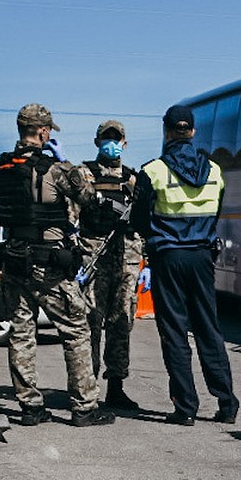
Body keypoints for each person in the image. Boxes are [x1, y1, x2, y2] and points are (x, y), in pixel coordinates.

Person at [0, 103, 115, 427]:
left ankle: (30, 407)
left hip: (14, 260)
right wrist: (67, 166)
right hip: (49, 264)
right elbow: (86, 196)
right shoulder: (54, 171)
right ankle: (84, 406)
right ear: (43, 131)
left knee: (21, 333)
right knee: (76, 330)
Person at [130, 105, 238, 426]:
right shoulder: (216, 171)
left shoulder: (153, 172)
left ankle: (186, 407)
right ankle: (226, 403)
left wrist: (156, 239)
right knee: (209, 329)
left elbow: (139, 220)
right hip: (202, 257)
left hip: (168, 259)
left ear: (166, 131)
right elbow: (216, 214)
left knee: (175, 332)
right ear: (192, 131)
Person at [77, 120, 144, 410]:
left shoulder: (134, 179)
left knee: (121, 324)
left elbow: (143, 220)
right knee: (90, 323)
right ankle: (87, 387)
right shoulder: (83, 175)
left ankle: (116, 386)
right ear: (97, 142)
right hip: (94, 257)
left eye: (117, 139)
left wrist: (146, 259)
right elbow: (71, 216)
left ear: (125, 144)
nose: (112, 143)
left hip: (127, 259)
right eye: (107, 138)